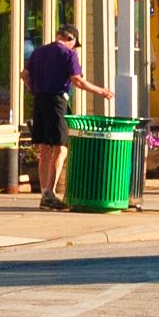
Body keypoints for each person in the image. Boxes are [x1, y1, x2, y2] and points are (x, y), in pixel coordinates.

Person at [22, 19, 104, 206]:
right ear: (70, 37)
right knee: (61, 146)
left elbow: (24, 74)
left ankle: (44, 192)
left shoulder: (38, 52)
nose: (75, 47)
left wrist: (33, 88)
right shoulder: (69, 54)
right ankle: (50, 193)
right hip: (57, 101)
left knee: (44, 147)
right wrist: (101, 91)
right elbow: (77, 80)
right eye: (75, 43)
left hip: (39, 100)